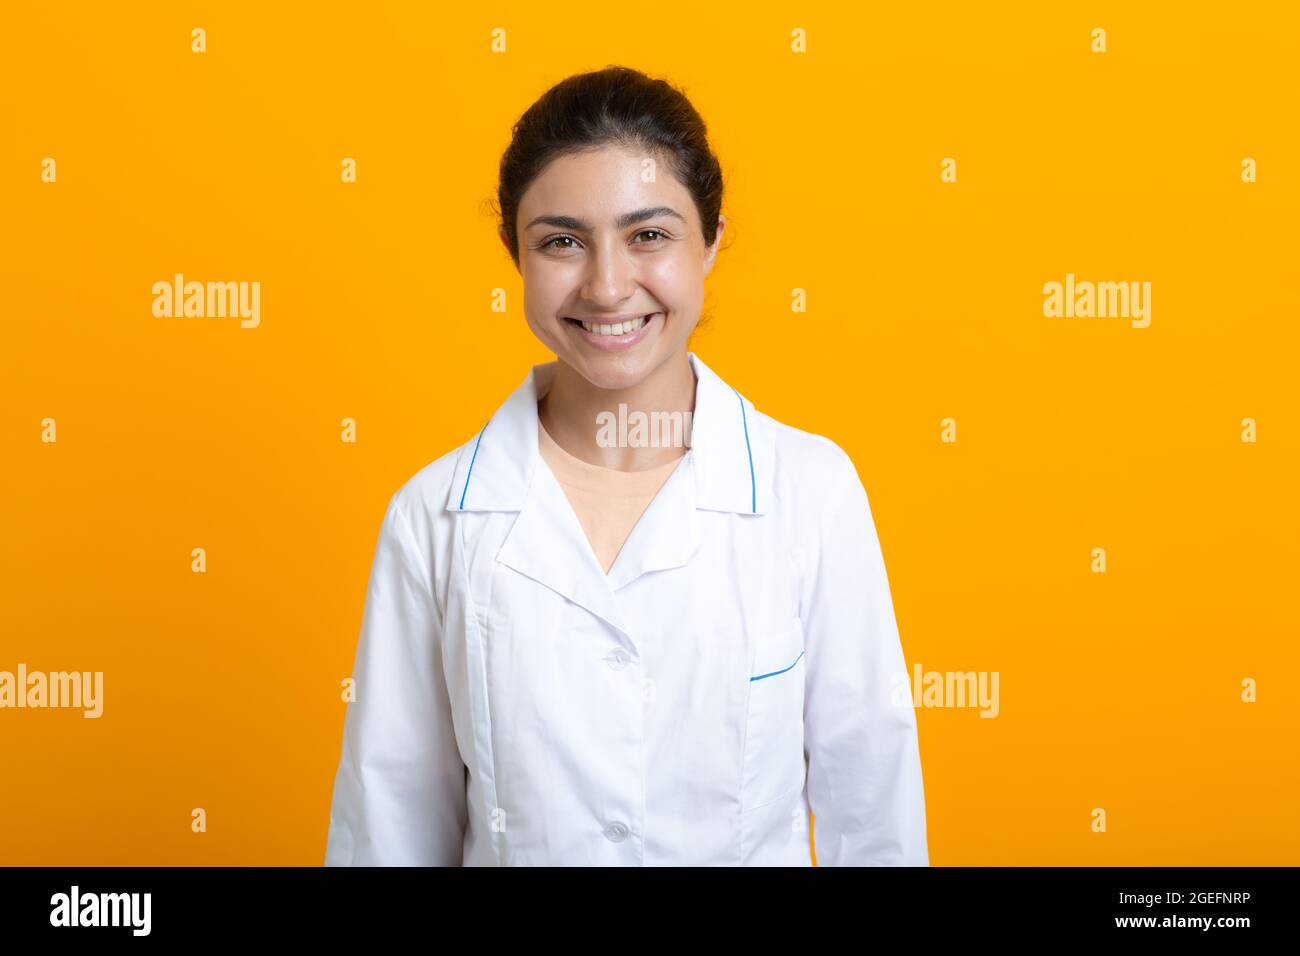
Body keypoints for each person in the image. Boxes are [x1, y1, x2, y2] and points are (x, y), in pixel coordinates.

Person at [324, 65, 929, 866]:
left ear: (712, 240)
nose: (608, 287)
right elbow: (388, 829)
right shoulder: (433, 518)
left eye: (649, 235)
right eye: (563, 241)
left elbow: (873, 812)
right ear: (514, 252)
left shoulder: (810, 492)